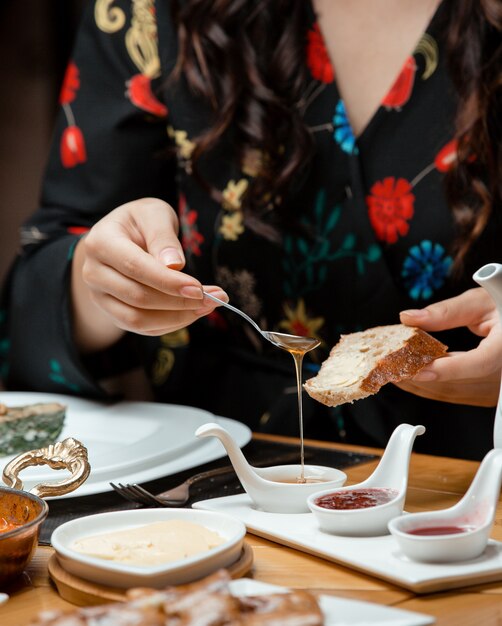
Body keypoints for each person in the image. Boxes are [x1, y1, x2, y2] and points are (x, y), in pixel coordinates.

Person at [0, 0, 500, 460]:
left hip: (477, 477)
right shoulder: (149, 13)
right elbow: (41, 280)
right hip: (226, 479)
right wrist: (106, 283)